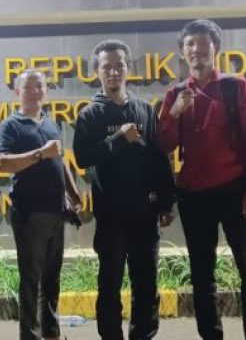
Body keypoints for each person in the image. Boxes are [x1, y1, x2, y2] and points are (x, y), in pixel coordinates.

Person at [157, 19, 246, 340]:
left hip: (235, 191)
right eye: (190, 44)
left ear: (215, 48)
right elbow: (163, 145)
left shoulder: (237, 87)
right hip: (193, 196)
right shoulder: (175, 94)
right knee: (202, 277)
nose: (197, 49)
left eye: (203, 43)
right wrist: (174, 112)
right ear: (183, 52)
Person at [73, 39, 175, 340]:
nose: (114, 72)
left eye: (119, 66)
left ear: (128, 69)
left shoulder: (144, 109)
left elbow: (159, 158)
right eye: (107, 67)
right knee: (109, 286)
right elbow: (82, 157)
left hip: (145, 214)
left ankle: (143, 336)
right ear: (97, 71)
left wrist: (167, 202)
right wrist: (118, 138)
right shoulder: (90, 114)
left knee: (146, 286)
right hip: (111, 217)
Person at [0, 69, 83, 340]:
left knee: (52, 278)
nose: (35, 91)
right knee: (31, 280)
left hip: (56, 212)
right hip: (29, 213)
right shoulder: (11, 125)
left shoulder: (50, 123)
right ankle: (30, 335)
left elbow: (60, 160)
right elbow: (2, 163)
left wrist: (73, 192)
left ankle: (51, 333)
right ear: (17, 92)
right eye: (29, 87)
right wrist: (40, 154)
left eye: (40, 86)